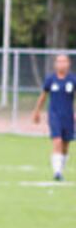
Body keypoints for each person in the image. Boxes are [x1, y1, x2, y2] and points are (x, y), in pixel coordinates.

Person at [32, 54, 76, 182]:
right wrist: (37, 111)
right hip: (54, 115)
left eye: (64, 61)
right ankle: (57, 172)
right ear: (55, 64)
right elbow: (43, 96)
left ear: (68, 64)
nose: (61, 64)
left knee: (66, 145)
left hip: (68, 116)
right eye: (59, 61)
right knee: (57, 141)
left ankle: (60, 170)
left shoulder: (72, 80)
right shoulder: (50, 79)